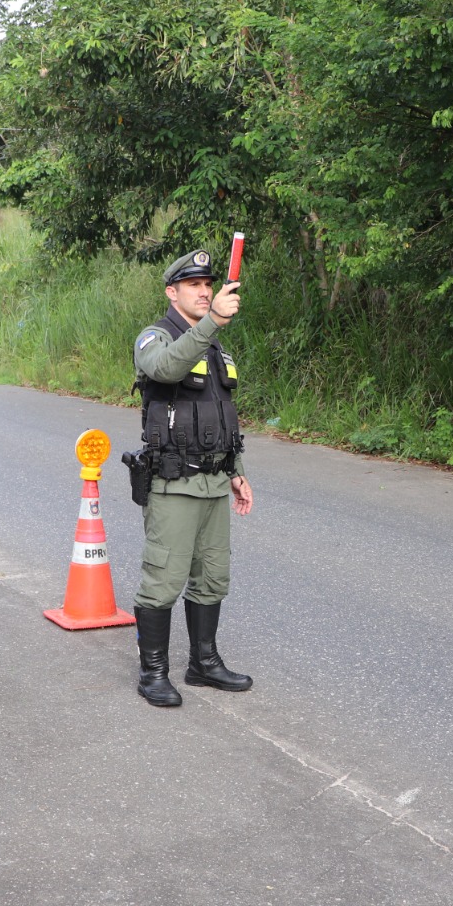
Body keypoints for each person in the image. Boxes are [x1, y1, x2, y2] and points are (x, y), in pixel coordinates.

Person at [128, 248, 255, 707]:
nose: (205, 292)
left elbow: (223, 414)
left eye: (209, 285)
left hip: (215, 484)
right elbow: (166, 369)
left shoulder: (215, 346)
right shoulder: (155, 338)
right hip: (174, 484)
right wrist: (211, 323)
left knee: (213, 578)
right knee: (163, 580)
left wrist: (237, 472)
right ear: (172, 292)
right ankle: (153, 673)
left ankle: (204, 663)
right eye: (195, 286)